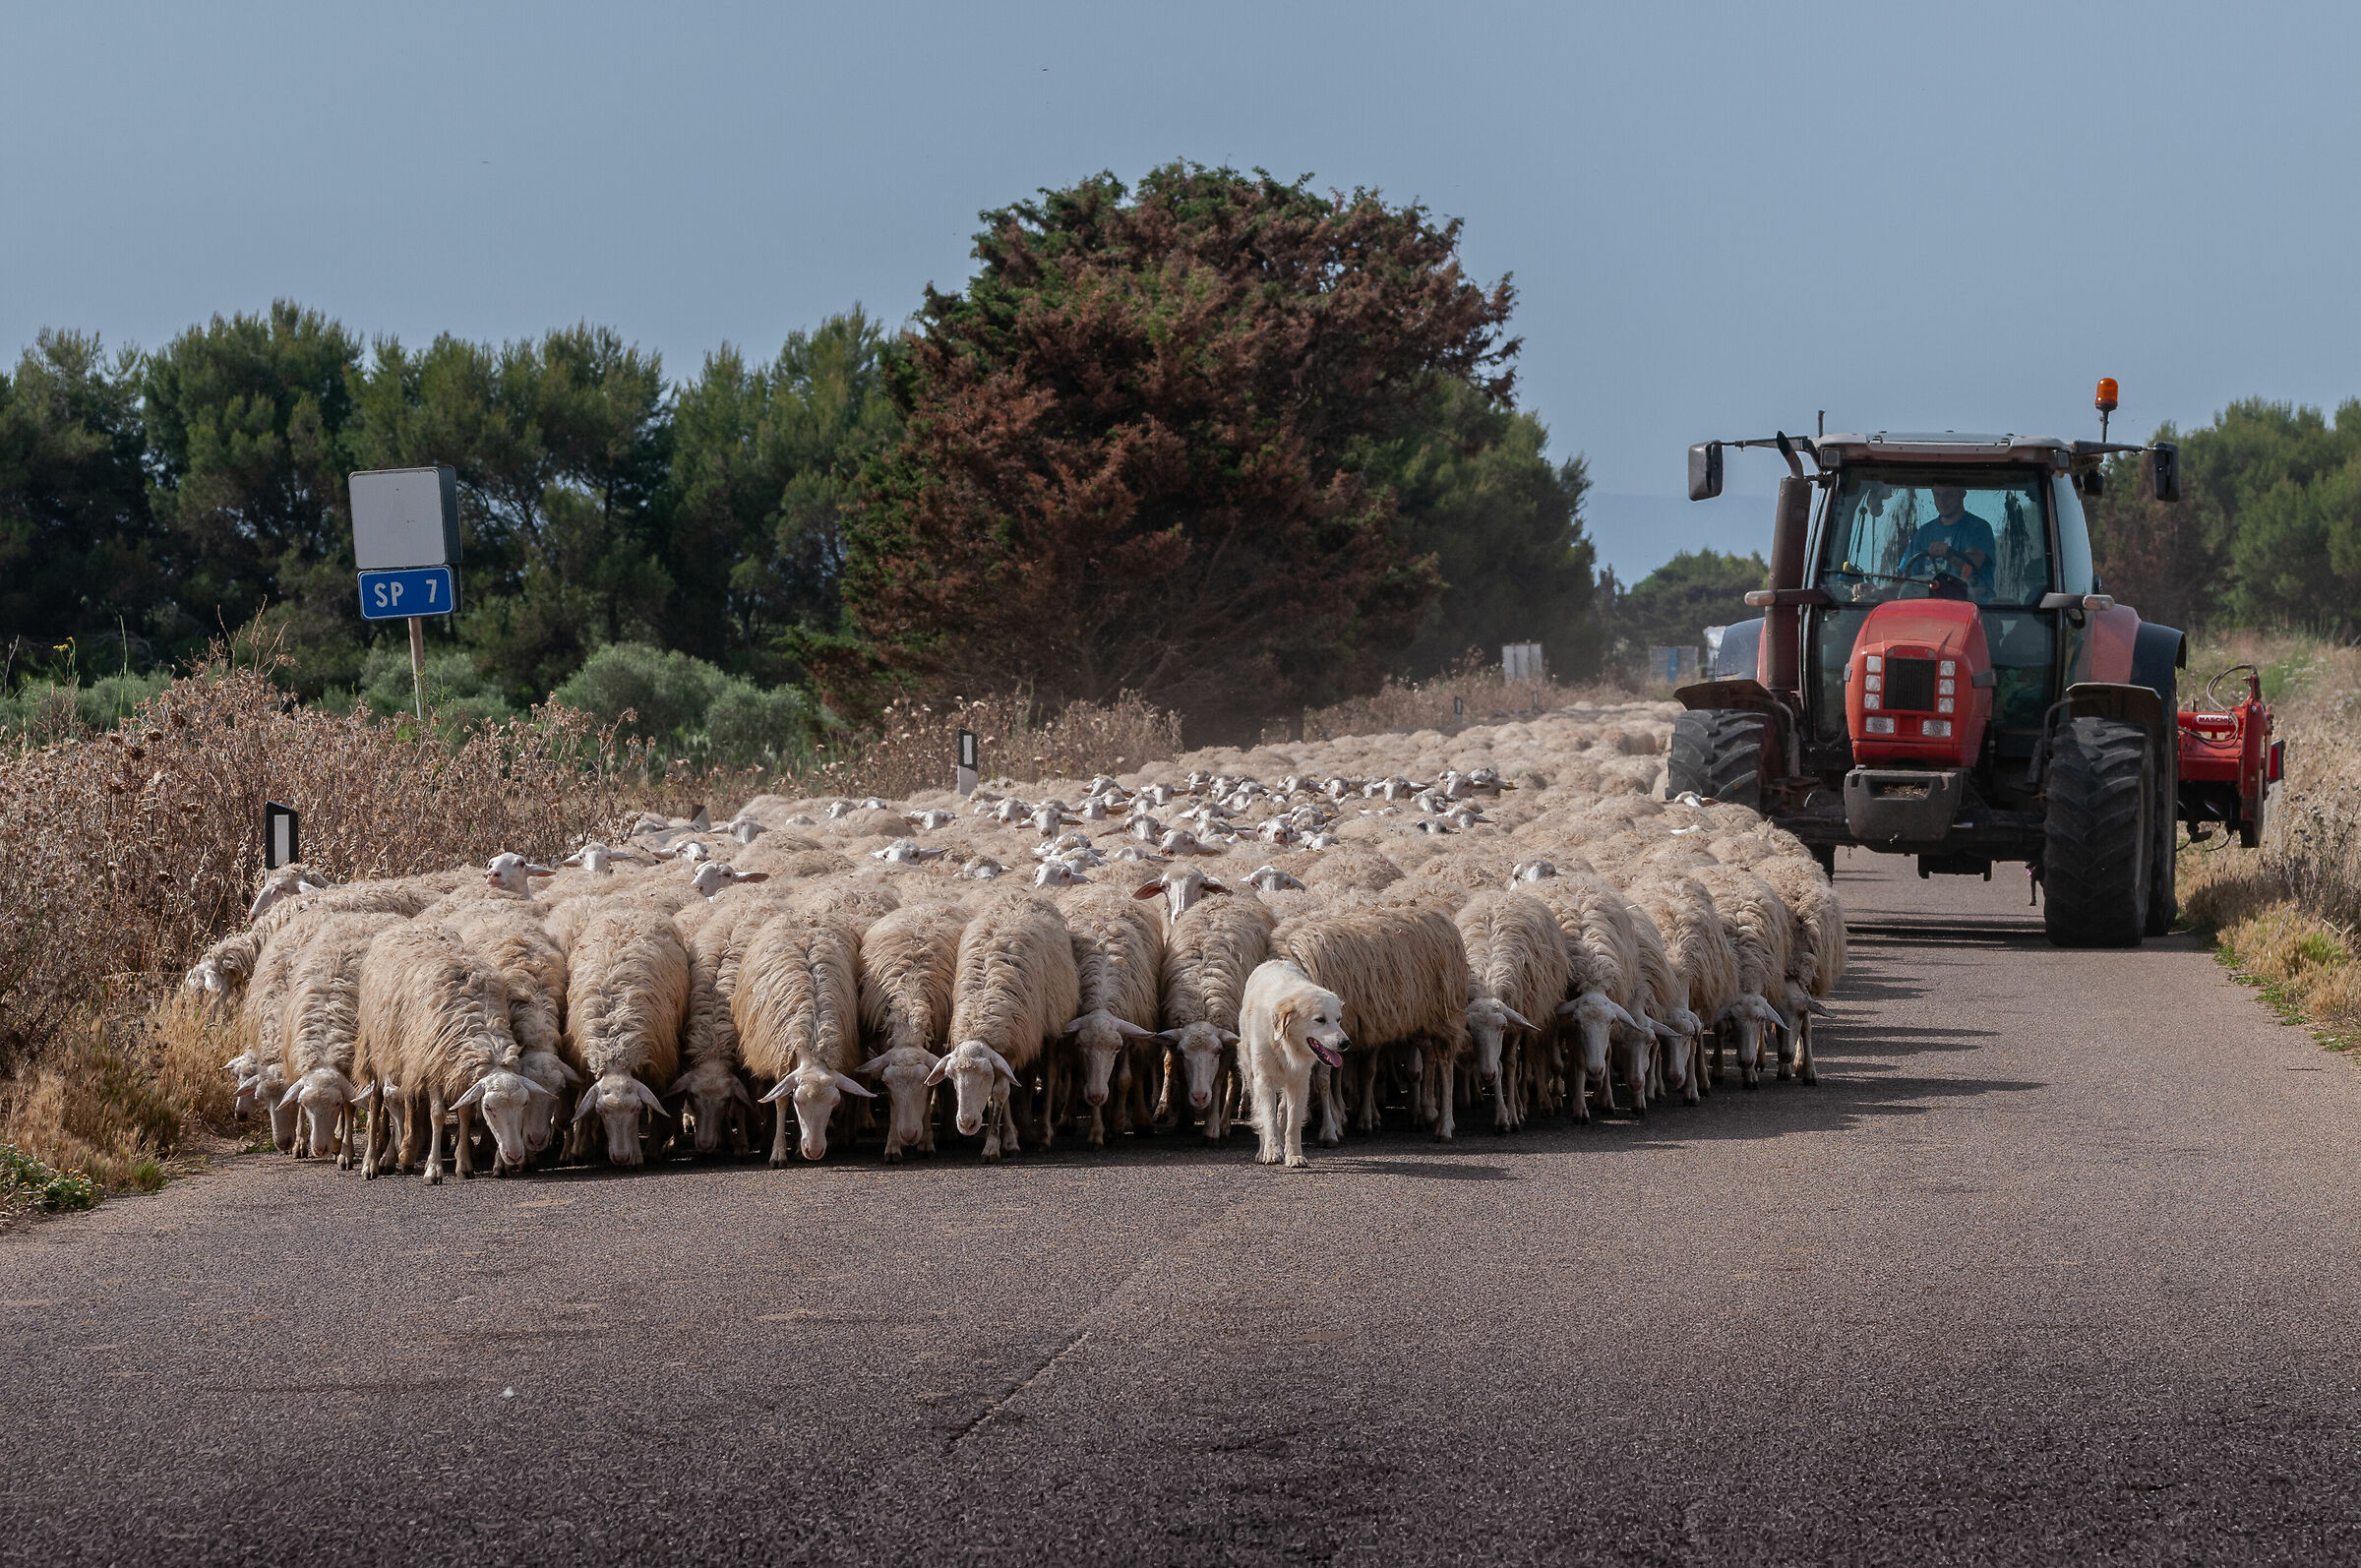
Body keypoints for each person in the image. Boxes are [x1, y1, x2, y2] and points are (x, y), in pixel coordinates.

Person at [1909, 486, 1996, 596]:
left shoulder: (1978, 529)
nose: (1942, 500)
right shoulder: (1923, 533)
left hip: (1974, 608)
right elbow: (1905, 578)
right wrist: (1884, 592)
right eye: (1937, 494)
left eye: (1948, 494)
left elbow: (1972, 564)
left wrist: (1949, 555)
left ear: (1962, 493)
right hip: (1928, 609)